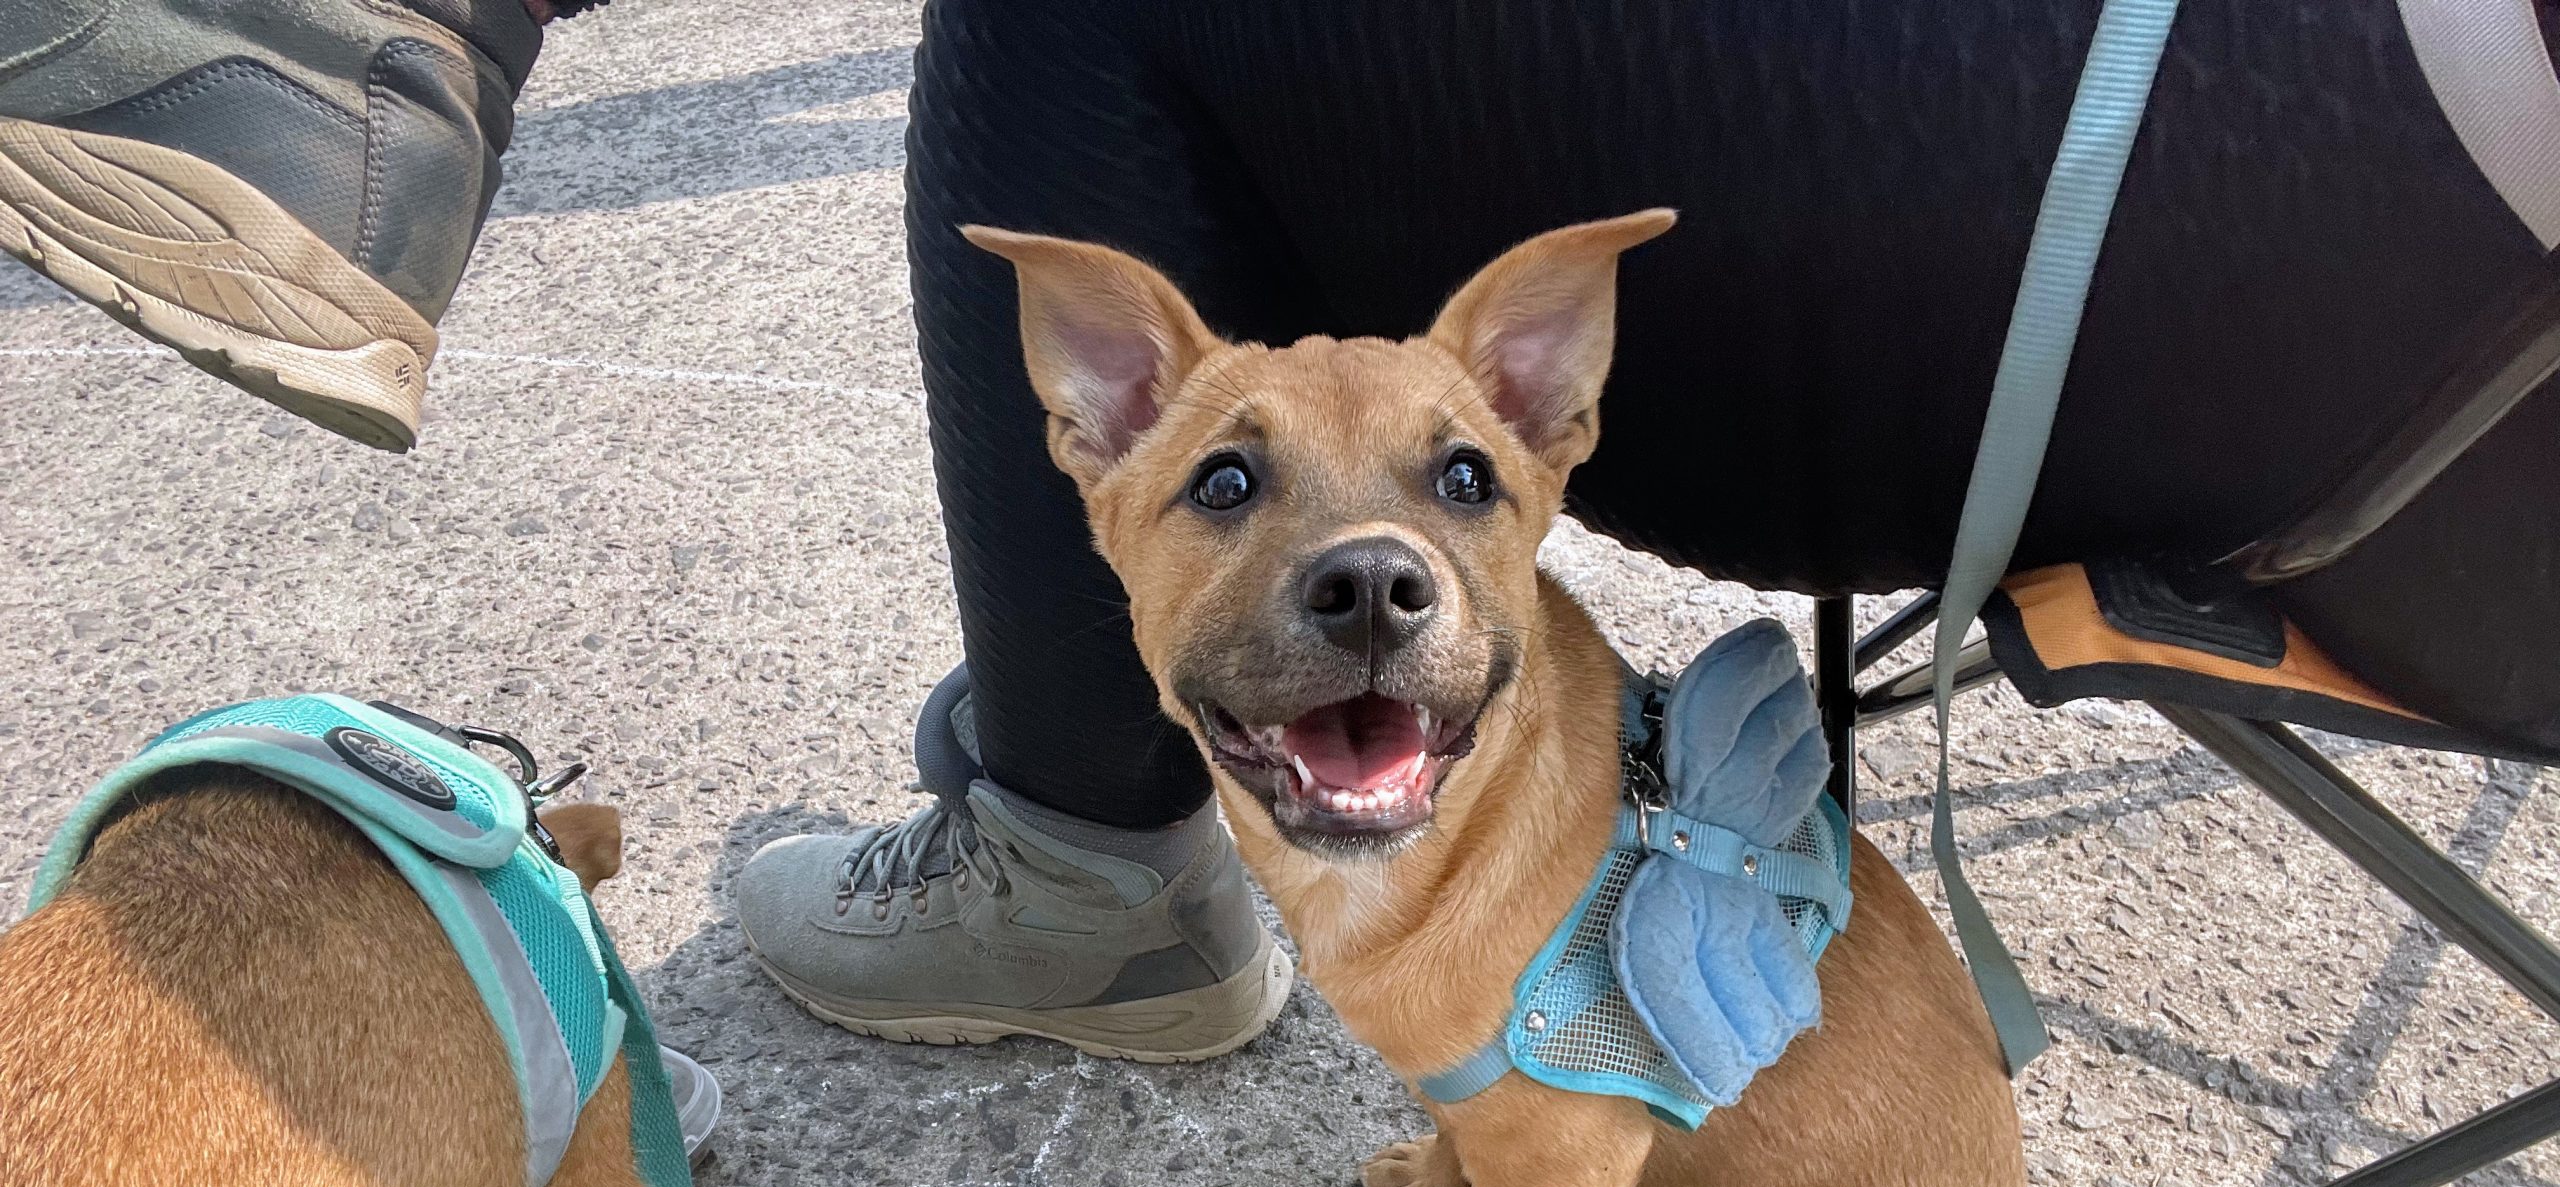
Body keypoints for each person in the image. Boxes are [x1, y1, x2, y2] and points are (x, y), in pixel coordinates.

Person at [10, 0, 2558, 1067]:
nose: (1365, 557)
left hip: (2383, 340)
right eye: (1219, 481)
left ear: (1544, 420)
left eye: (1457, 473)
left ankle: (1076, 856)